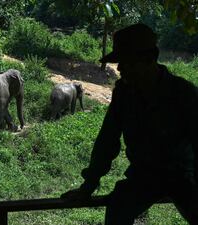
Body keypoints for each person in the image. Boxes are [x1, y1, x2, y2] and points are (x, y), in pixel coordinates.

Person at [61, 23, 198, 224]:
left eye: (128, 62)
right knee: (118, 208)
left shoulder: (183, 93)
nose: (120, 68)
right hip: (143, 176)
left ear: (150, 59)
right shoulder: (124, 94)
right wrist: (88, 186)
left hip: (183, 176)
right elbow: (107, 140)